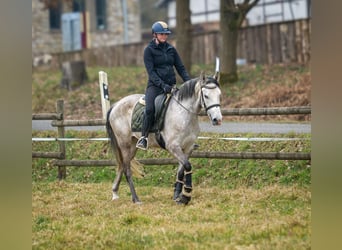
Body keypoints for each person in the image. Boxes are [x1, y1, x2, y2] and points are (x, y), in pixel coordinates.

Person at [136, 21, 191, 150]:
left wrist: (188, 82)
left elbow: (180, 68)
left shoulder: (171, 49)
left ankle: (187, 138)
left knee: (184, 107)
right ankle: (143, 137)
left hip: (171, 86)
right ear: (154, 34)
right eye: (162, 34)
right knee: (150, 109)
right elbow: (151, 73)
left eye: (166, 34)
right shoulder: (148, 51)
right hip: (155, 87)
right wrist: (162, 85)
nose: (164, 36)